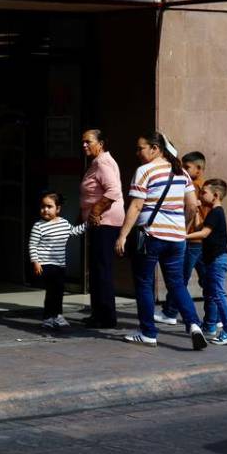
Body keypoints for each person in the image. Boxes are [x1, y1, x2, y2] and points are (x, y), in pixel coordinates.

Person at [115, 131, 207, 350]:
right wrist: (181, 227)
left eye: (141, 148)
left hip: (151, 236)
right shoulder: (182, 173)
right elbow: (193, 206)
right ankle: (194, 325)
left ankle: (148, 333)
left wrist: (123, 235)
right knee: (176, 283)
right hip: (177, 239)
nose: (137, 153)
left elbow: (136, 206)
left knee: (144, 284)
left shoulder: (144, 171)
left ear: (155, 148)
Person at [158, 151, 217, 335]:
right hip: (200, 241)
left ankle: (170, 311)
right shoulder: (204, 187)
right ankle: (215, 319)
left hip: (193, 239)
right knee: (206, 280)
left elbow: (194, 212)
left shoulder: (197, 188)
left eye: (187, 167)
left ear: (199, 169)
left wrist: (182, 231)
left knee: (179, 279)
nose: (183, 170)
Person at [79, 129, 124, 329]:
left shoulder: (102, 162)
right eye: (83, 142)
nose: (84, 145)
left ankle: (106, 317)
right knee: (97, 270)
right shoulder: (98, 162)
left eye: (88, 142)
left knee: (102, 269)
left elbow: (113, 190)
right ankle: (98, 314)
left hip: (105, 222)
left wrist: (96, 211)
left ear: (101, 143)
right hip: (98, 222)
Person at [186, 179, 227, 346]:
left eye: (204, 193)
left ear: (215, 195)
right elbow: (199, 228)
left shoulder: (217, 212)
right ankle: (209, 326)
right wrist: (195, 211)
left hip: (217, 259)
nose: (200, 195)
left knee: (218, 294)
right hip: (212, 259)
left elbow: (203, 233)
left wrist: (182, 236)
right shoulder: (211, 213)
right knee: (210, 292)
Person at [28, 192, 86, 330]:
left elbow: (74, 231)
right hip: (46, 265)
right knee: (51, 292)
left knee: (58, 291)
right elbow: (32, 245)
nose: (45, 210)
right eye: (43, 206)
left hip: (60, 265)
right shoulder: (38, 226)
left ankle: (58, 316)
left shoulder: (64, 223)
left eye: (49, 206)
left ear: (58, 209)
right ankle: (48, 318)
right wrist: (35, 262)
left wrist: (89, 223)